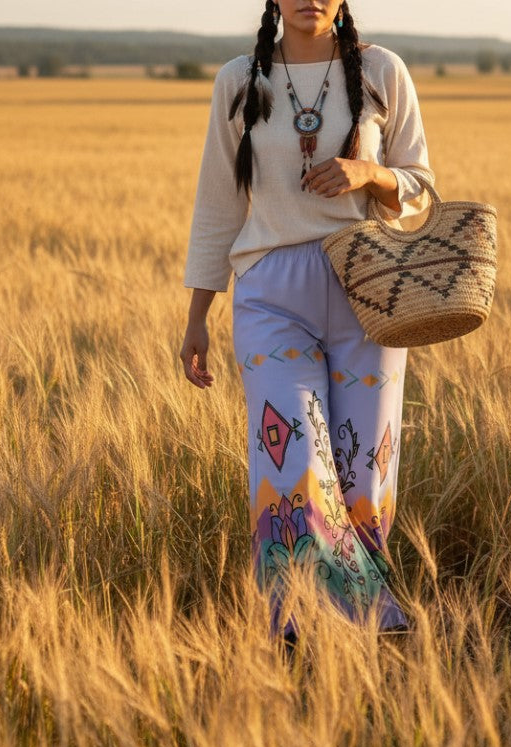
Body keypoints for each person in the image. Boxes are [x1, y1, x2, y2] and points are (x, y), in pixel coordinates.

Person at [179, 0, 434, 642]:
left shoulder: (381, 70)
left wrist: (369, 174)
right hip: (269, 293)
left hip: (367, 289)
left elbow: (421, 187)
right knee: (291, 462)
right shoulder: (238, 80)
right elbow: (217, 202)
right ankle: (294, 625)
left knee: (362, 475)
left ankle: (360, 631)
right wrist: (198, 316)